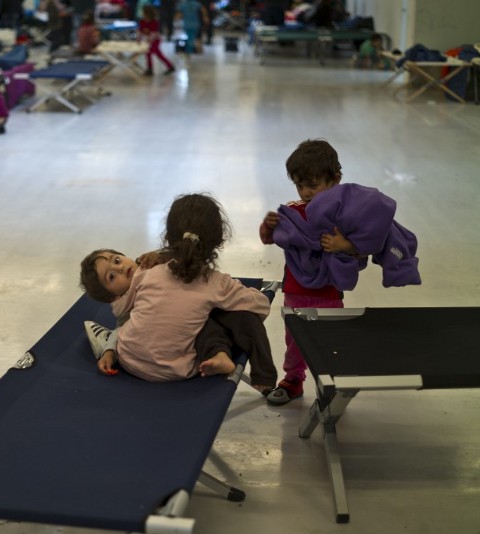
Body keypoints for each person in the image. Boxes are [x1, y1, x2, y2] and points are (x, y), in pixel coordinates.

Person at [80, 193, 276, 386]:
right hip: (177, 369)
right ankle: (242, 366)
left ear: (167, 237)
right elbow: (260, 304)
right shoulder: (216, 283)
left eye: (117, 260)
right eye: (112, 276)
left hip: (130, 360)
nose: (121, 268)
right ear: (220, 239)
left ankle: (106, 339)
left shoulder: (145, 274)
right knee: (218, 319)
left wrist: (111, 350)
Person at [258, 139, 354, 405]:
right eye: (300, 186)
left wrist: (344, 245)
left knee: (329, 342)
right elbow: (268, 239)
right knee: (295, 341)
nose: (305, 192)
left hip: (329, 293)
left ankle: (330, 385)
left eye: (312, 185)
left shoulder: (345, 215)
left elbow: (363, 247)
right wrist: (268, 226)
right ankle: (293, 380)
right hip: (296, 290)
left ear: (335, 180)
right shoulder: (293, 212)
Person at [138, 5, 174, 76]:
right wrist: (140, 37)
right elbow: (140, 30)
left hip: (155, 39)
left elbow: (154, 32)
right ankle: (168, 66)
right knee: (152, 54)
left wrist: (149, 38)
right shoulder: (142, 21)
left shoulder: (154, 21)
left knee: (152, 52)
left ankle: (151, 69)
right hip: (147, 39)